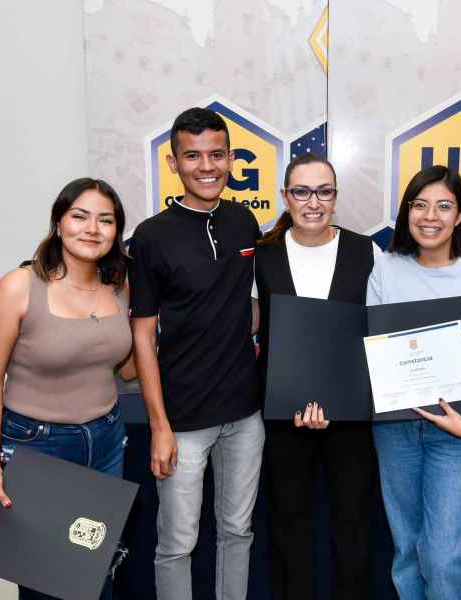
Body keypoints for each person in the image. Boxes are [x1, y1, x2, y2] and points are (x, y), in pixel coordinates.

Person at [0, 177, 134, 600]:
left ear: (117, 231)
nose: (92, 229)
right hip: (39, 447)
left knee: (95, 573)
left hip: (107, 441)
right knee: (46, 581)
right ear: (58, 222)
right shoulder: (19, 287)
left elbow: (127, 366)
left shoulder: (119, 287)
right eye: (80, 216)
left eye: (106, 220)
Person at [128, 107, 264, 600]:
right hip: (182, 421)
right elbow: (143, 335)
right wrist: (159, 426)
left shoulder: (244, 221)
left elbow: (248, 305)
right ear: (173, 163)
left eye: (216, 154)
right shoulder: (151, 236)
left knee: (238, 532)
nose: (207, 166)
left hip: (245, 415)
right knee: (177, 545)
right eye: (193, 156)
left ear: (231, 159)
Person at [366, 165, 461, 599]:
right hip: (395, 429)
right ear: (407, 212)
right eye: (420, 205)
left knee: (445, 555)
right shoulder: (385, 268)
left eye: (444, 206)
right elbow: (372, 350)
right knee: (406, 549)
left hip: (457, 430)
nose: (430, 216)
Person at [253, 152, 380, 599]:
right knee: (288, 527)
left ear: (335, 197)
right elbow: (251, 327)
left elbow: (379, 331)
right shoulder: (262, 256)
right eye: (302, 192)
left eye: (324, 192)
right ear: (285, 197)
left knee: (353, 527)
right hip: (283, 415)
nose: (313, 202)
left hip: (351, 417)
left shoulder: (366, 251)